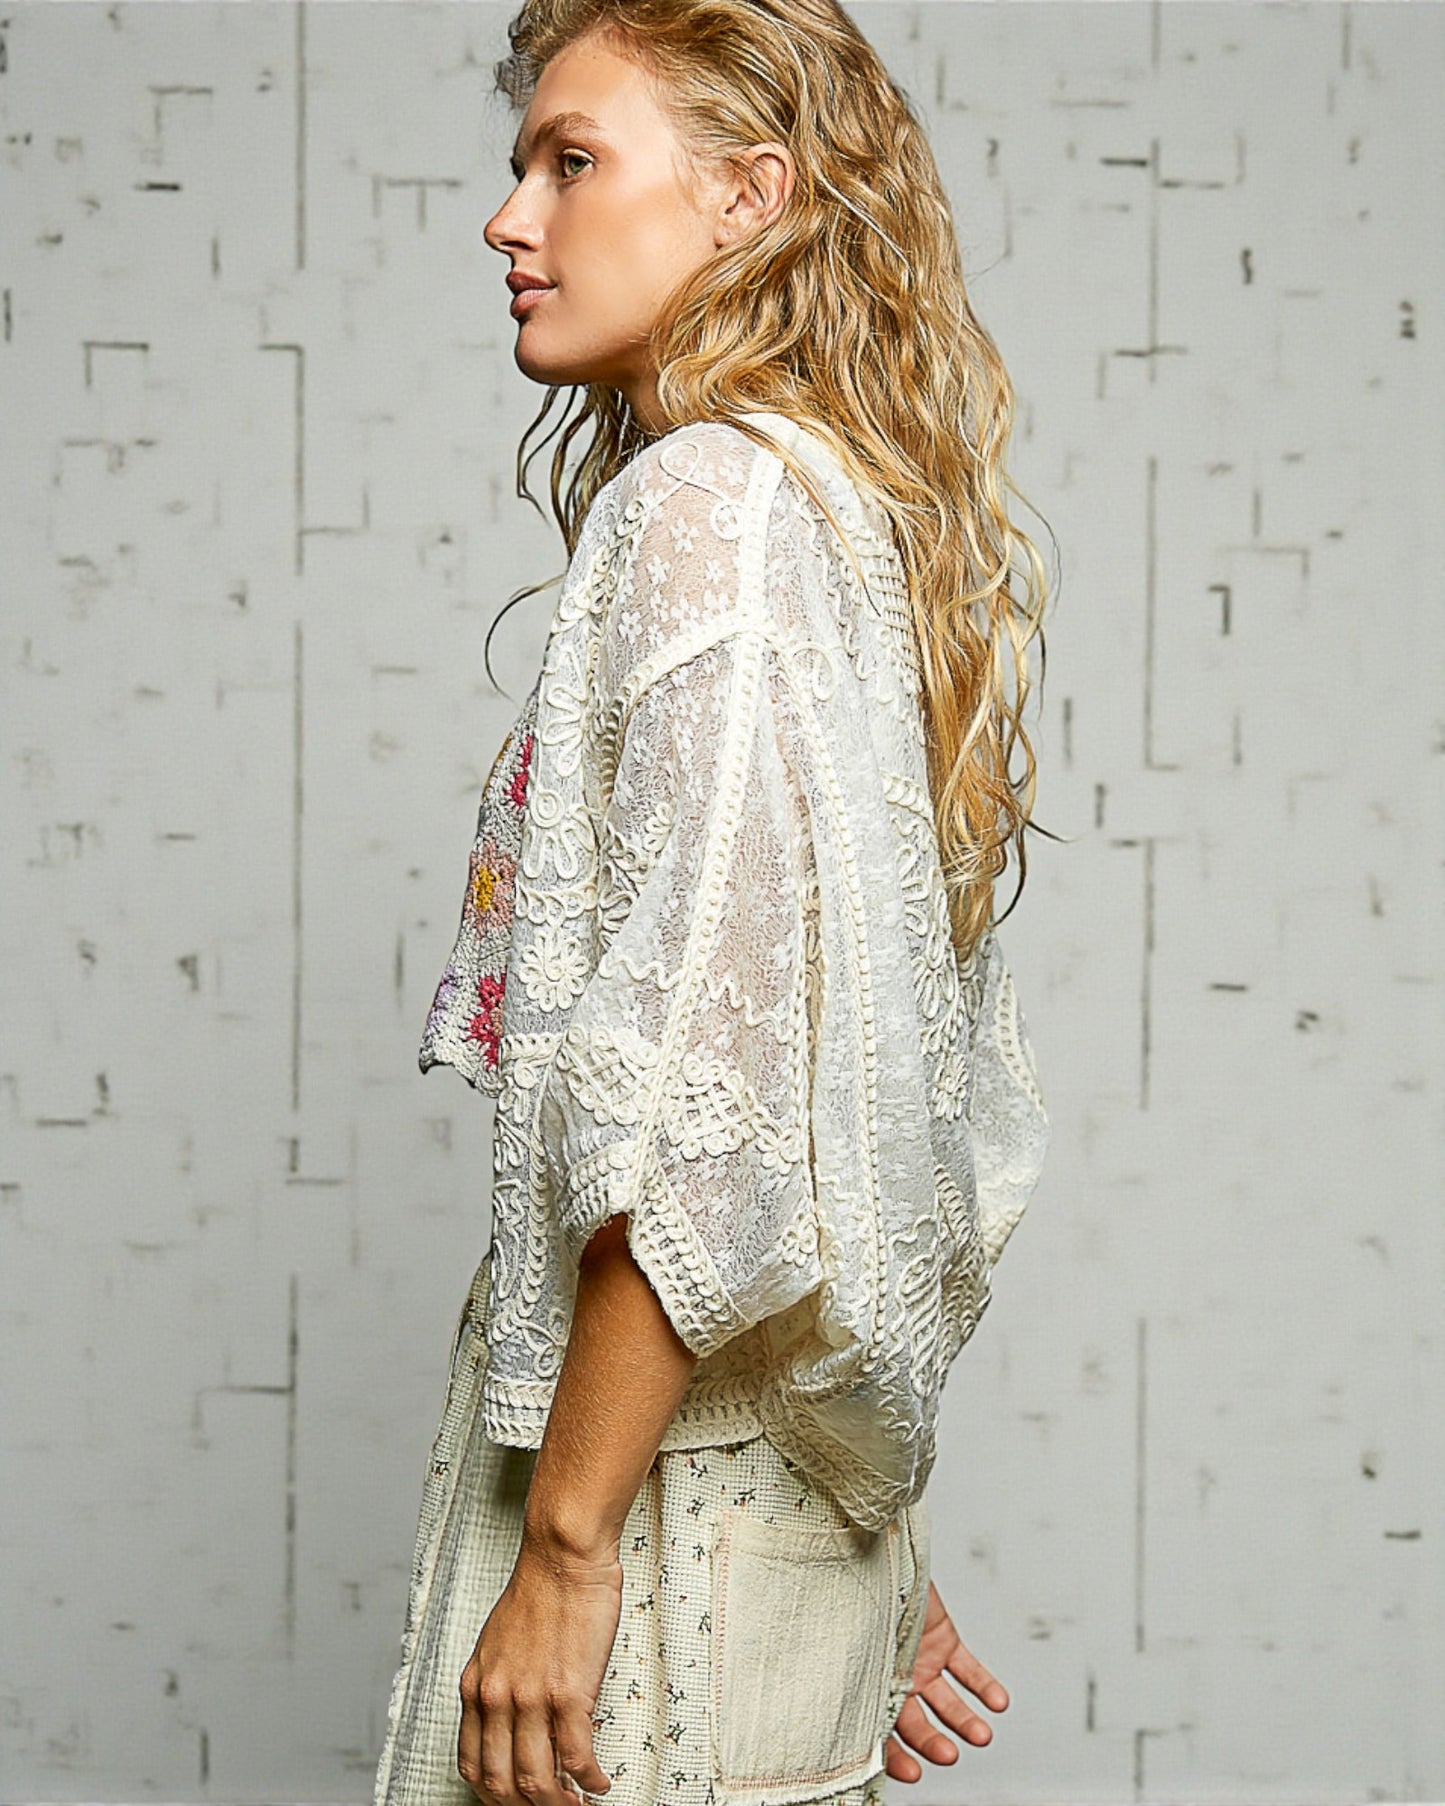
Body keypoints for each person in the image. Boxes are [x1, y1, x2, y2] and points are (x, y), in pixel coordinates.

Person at [373, 3, 1053, 1803]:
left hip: (641, 1533)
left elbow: (708, 1113)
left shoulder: (711, 511)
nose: (510, 218)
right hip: (747, 1512)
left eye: (571, 162)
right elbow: (879, 1145)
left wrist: (568, 1547)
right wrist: (859, 1529)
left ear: (751, 195)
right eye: (521, 164)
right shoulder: (839, 517)